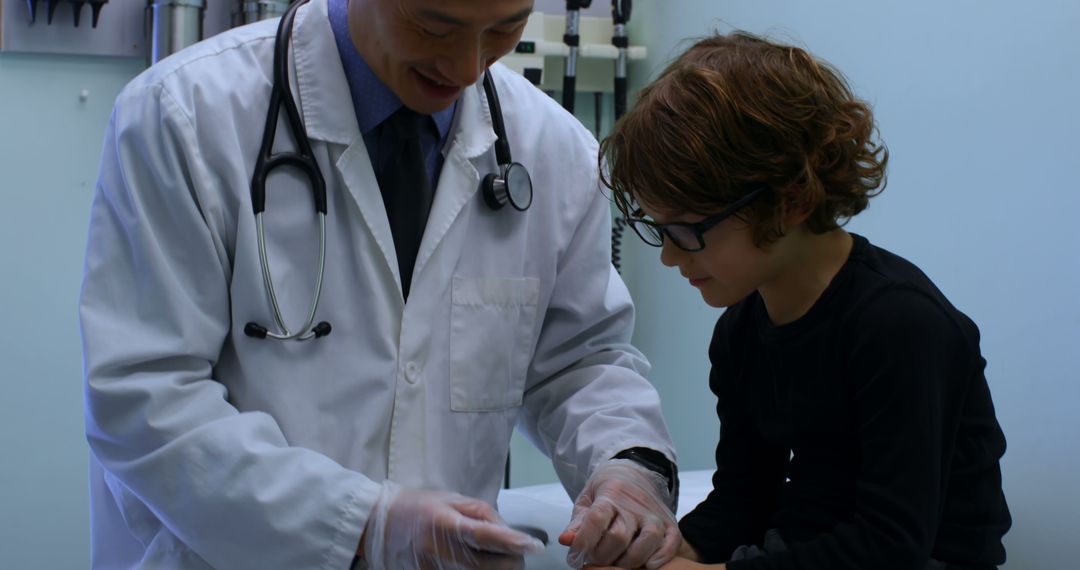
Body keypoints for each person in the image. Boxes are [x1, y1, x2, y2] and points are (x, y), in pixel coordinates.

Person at [78, 0, 681, 568]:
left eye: (504, 26)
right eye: (435, 25)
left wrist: (627, 465)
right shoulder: (183, 117)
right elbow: (146, 399)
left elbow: (579, 361)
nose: (467, 66)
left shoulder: (554, 148)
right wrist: (360, 524)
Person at [592, 32, 1012, 570]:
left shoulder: (902, 326)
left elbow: (892, 545)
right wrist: (658, 551)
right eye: (659, 230)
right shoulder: (742, 329)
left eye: (688, 231)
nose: (671, 259)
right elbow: (743, 500)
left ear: (788, 201)